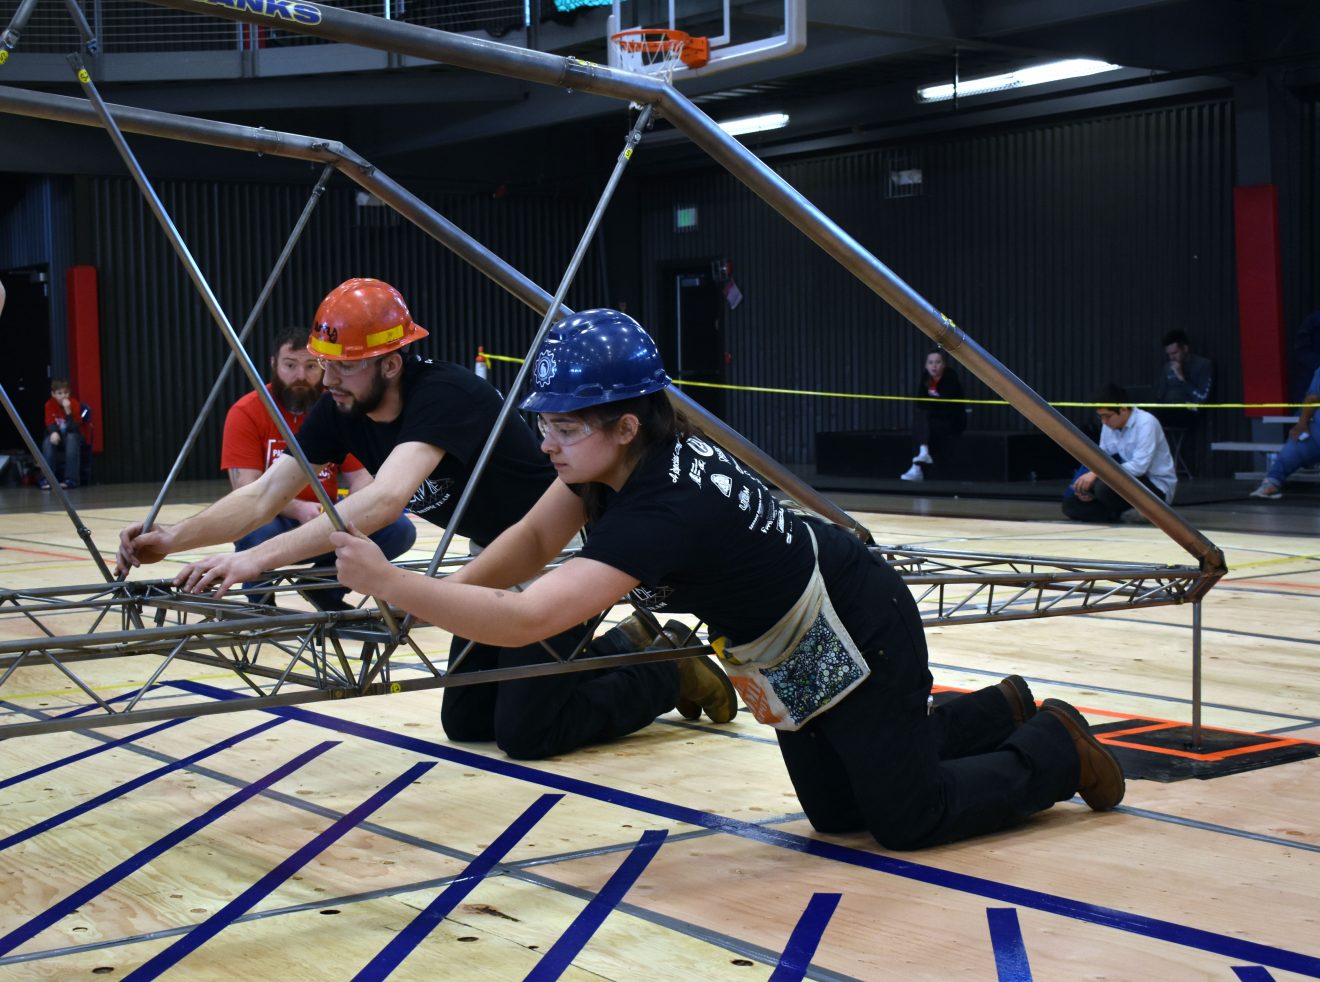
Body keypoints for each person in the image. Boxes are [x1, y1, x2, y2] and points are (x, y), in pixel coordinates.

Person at [331, 309, 1125, 851]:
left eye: (564, 428)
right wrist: (420, 596)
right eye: (543, 426)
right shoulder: (605, 462)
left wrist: (396, 586)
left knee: (908, 819)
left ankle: (1053, 745)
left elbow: (530, 616)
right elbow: (534, 538)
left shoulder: (661, 505)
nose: (548, 444)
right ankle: (995, 713)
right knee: (838, 812)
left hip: (854, 618)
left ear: (625, 425)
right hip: (784, 638)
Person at [117, 278, 733, 760]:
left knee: (528, 733)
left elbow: (384, 500)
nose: (327, 379)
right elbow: (261, 498)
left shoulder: (446, 397)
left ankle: (659, 661)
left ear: (391, 361)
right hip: (498, 559)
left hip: (559, 563)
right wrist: (170, 539)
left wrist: (254, 558)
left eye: (344, 366)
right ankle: (603, 663)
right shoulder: (342, 403)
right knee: (466, 725)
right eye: (324, 363)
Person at [220, 323, 417, 609]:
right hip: (277, 518)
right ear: (274, 363)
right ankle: (260, 602)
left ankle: (323, 588)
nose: (301, 376)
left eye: (312, 366)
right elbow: (246, 488)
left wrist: (351, 512)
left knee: (399, 529)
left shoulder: (336, 407)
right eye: (290, 365)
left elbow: (361, 479)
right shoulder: (246, 411)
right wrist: (299, 508)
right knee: (256, 527)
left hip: (325, 518)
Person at [1062, 383, 1177, 523]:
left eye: (1107, 416)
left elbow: (1139, 467)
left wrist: (1096, 474)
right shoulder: (1108, 426)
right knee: (1071, 504)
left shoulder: (1147, 423)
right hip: (1122, 482)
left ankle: (1151, 512)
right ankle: (1125, 515)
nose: (1104, 422)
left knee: (1103, 487)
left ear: (1123, 409)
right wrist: (1087, 488)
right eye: (1100, 417)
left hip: (1154, 487)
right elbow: (1102, 457)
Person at [1248, 365, 1320, 500]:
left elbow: (1313, 399)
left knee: (1296, 447)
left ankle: (1271, 482)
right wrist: (1301, 424)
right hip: (1316, 432)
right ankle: (1271, 482)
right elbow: (1313, 398)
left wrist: (1302, 424)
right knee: (1296, 444)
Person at [899, 350, 965, 482]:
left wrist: (930, 406)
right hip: (931, 419)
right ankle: (922, 457)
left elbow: (947, 406)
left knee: (921, 423)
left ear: (944, 365)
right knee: (919, 423)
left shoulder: (950, 377)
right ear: (926, 365)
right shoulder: (926, 377)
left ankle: (917, 467)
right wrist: (930, 406)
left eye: (937, 362)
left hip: (951, 420)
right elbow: (920, 401)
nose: (934, 366)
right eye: (930, 363)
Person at [1151, 329, 1213, 424]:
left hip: (1190, 409)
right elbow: (1160, 394)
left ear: (1185, 348)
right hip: (1167, 409)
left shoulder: (1203, 365)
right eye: (1169, 354)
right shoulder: (1167, 367)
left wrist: (1182, 379)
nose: (1172, 357)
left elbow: (1202, 400)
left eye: (1175, 353)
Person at [39, 378, 90, 490]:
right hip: (58, 435)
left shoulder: (74, 404)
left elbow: (75, 428)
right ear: (53, 394)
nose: (63, 396)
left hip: (74, 435)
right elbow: (49, 422)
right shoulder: (49, 405)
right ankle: (47, 479)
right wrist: (53, 432)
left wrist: (68, 412)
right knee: (48, 442)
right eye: (59, 393)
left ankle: (71, 480)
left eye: (65, 393)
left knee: (71, 439)